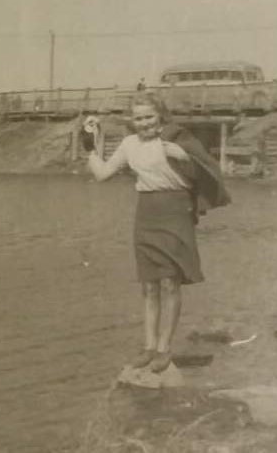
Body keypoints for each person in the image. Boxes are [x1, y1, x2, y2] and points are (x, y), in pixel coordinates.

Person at [84, 92, 230, 373]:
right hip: (147, 213)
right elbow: (102, 174)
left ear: (160, 116)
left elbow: (207, 170)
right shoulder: (128, 144)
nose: (144, 123)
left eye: (149, 117)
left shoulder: (176, 139)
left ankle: (164, 349)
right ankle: (149, 347)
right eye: (138, 118)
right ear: (132, 120)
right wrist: (89, 145)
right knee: (149, 284)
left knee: (169, 283)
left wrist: (184, 157)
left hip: (175, 211)